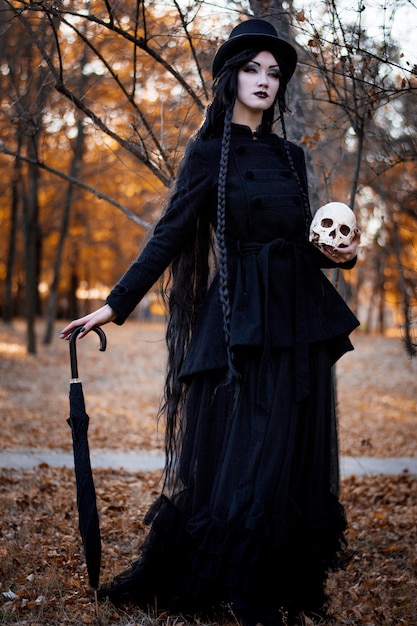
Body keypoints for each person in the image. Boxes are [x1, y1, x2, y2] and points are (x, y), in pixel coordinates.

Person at [60, 18, 360, 626]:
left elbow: (302, 241)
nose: (265, 81)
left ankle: (269, 587)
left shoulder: (291, 156)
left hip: (295, 318)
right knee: (245, 453)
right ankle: (240, 586)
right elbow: (168, 236)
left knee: (283, 453)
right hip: (239, 321)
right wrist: (114, 306)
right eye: (253, 68)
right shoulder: (206, 157)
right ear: (230, 79)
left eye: (275, 73)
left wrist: (339, 254)